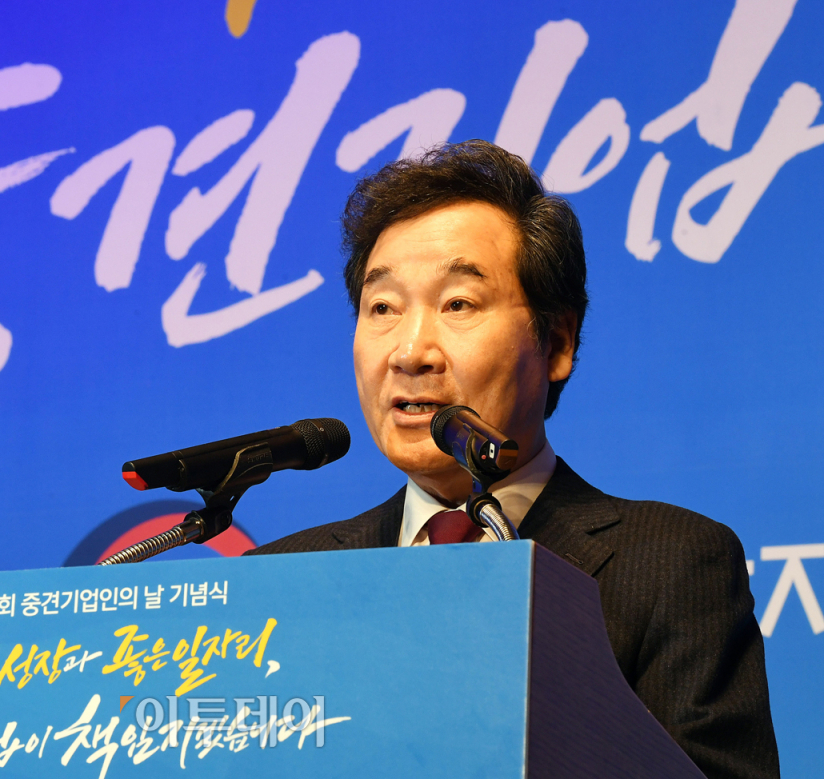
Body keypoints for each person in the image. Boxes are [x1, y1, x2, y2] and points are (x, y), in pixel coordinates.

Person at [246, 140, 779, 779]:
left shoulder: (673, 563)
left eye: (458, 304)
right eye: (382, 307)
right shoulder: (277, 582)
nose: (410, 352)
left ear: (557, 344)